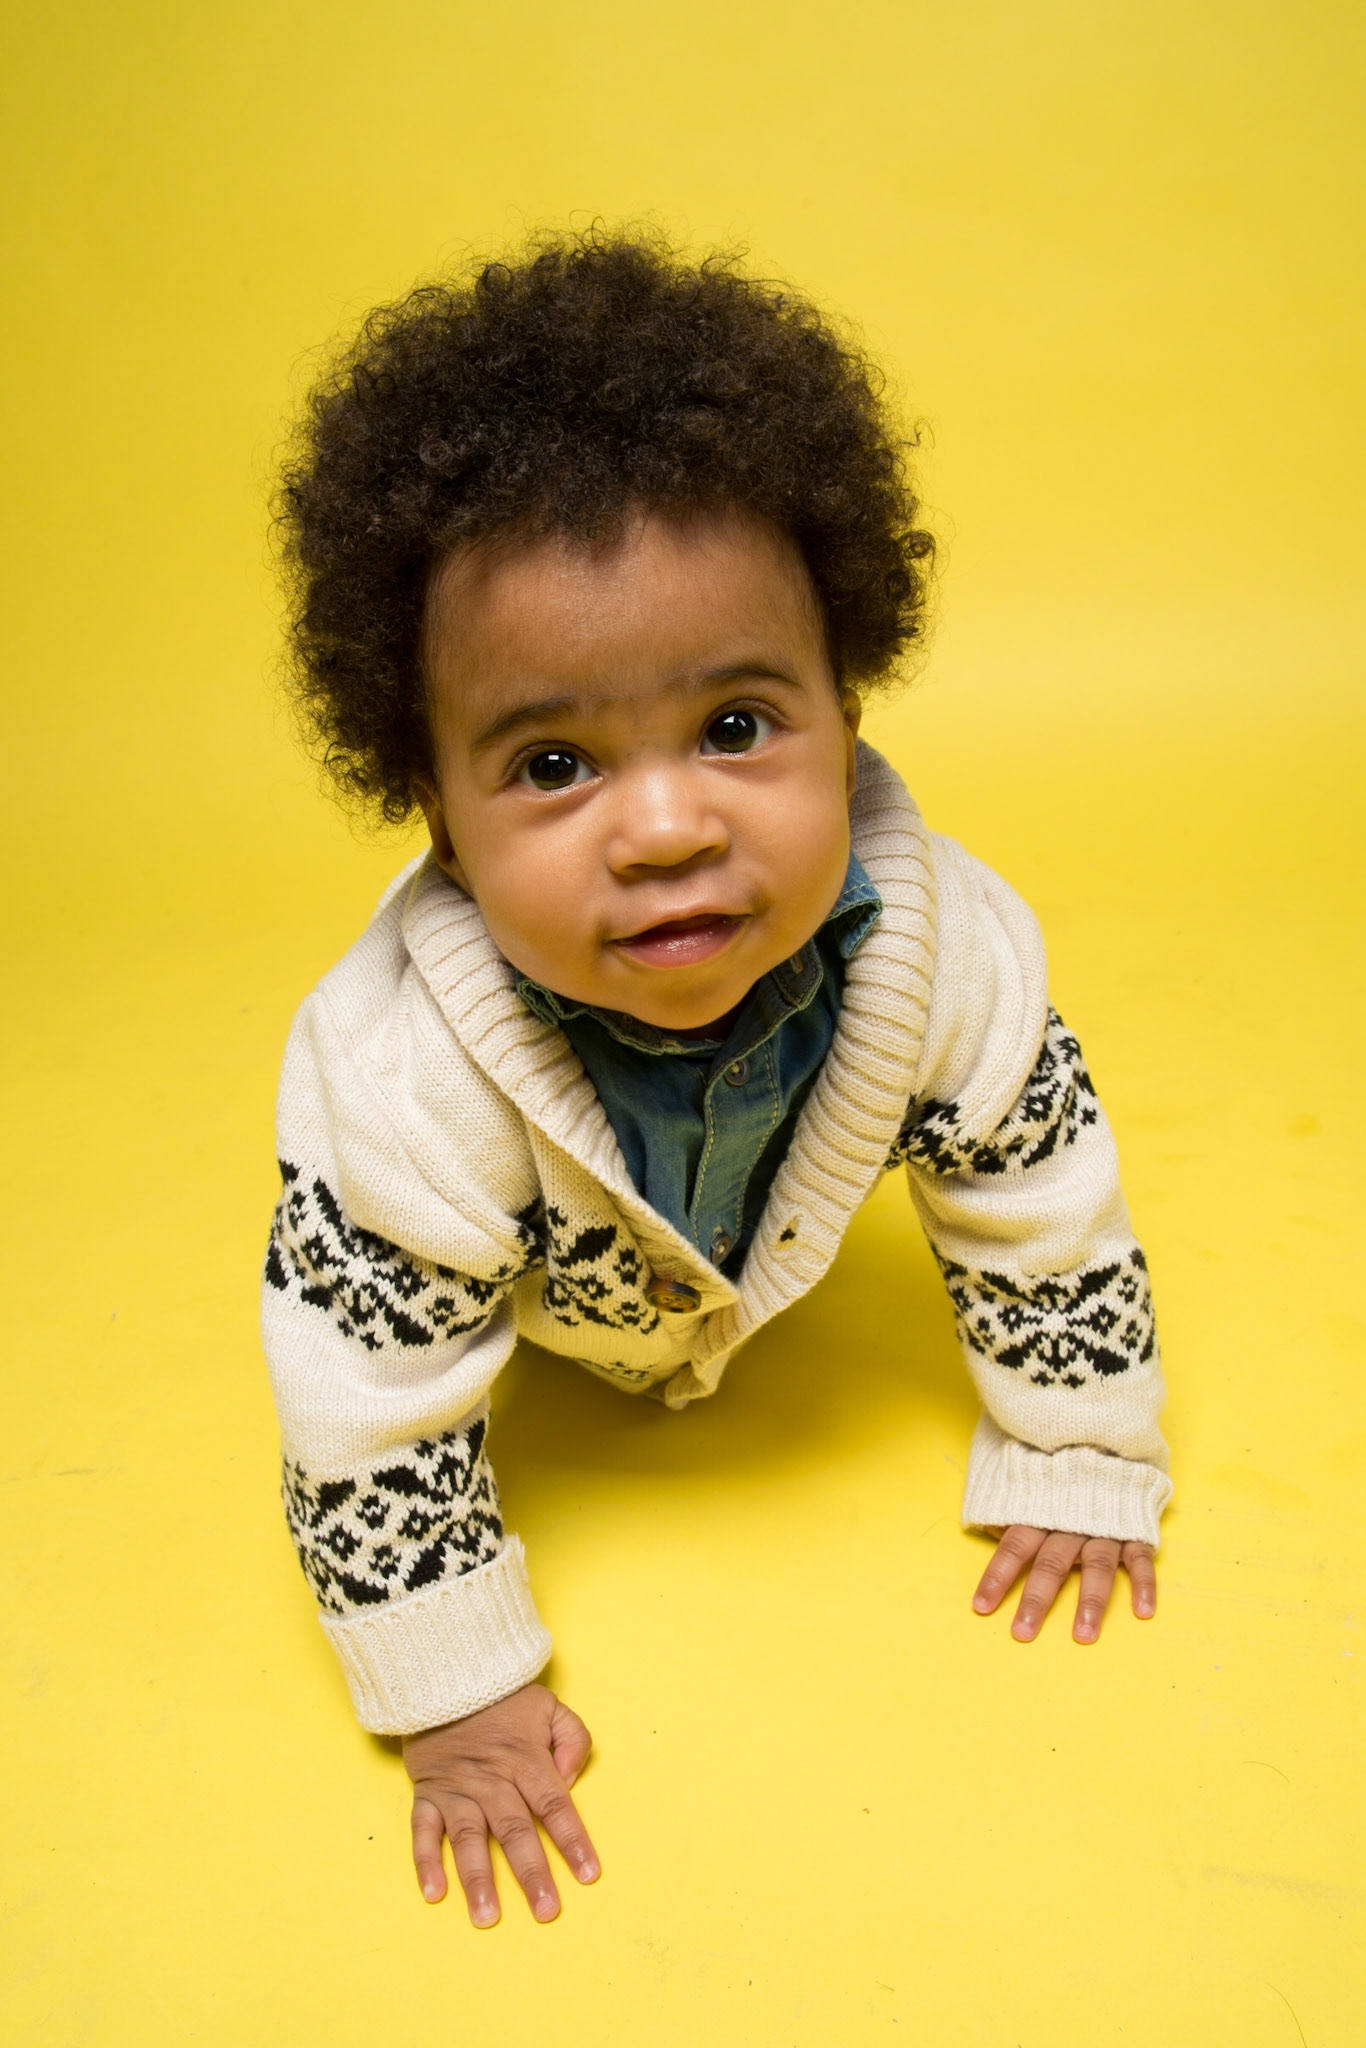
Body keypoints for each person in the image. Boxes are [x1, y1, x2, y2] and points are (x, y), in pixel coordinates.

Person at [265, 229, 1171, 1929]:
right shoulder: (400, 1078)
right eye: (553, 762)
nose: (669, 827)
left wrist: (1077, 1441)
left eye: (738, 727)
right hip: (537, 1306)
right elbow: (364, 1397)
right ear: (436, 815)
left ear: (849, 705)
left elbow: (1038, 1195)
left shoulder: (949, 955)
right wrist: (454, 1695)